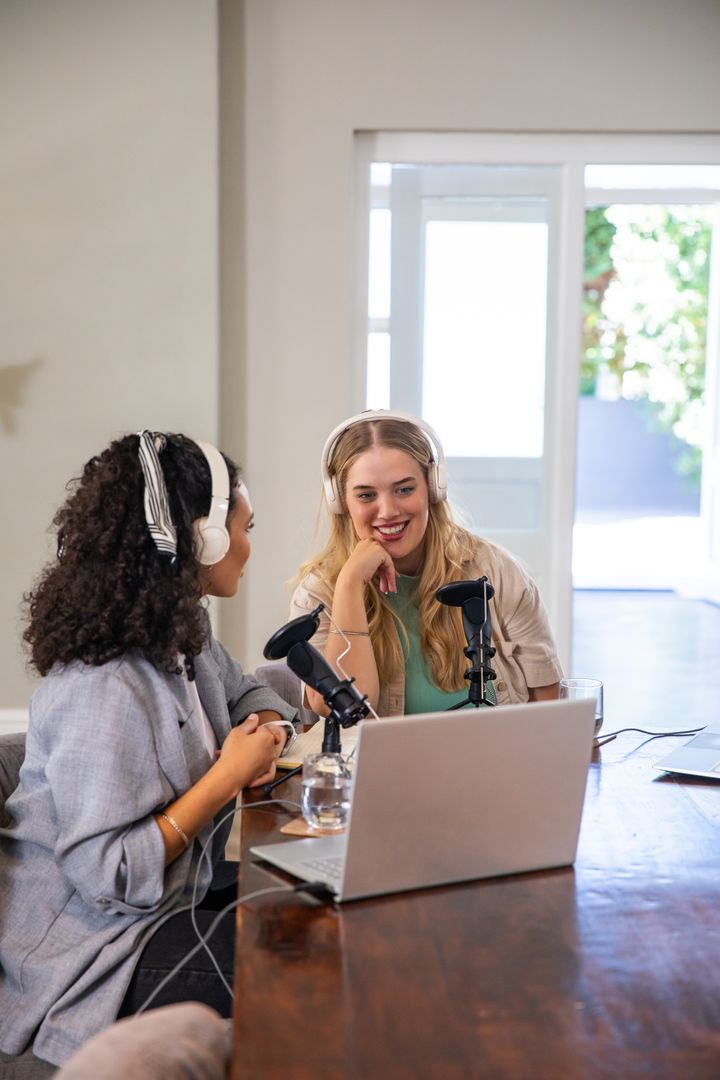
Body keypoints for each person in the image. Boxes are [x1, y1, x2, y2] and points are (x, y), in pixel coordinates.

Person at [0, 432, 299, 1070]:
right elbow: (104, 874)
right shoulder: (103, 686)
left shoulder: (180, 629)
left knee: (314, 920)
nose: (249, 544)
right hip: (95, 956)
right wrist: (226, 777)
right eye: (244, 527)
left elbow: (246, 691)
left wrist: (266, 728)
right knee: (298, 973)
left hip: (171, 905)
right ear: (201, 539)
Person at [290, 410, 562, 718]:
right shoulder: (318, 594)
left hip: (495, 762)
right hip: (385, 767)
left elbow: (547, 705)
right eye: (366, 495)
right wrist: (350, 585)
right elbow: (352, 712)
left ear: (433, 487)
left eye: (405, 489)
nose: (388, 511)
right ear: (341, 502)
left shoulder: (498, 572)